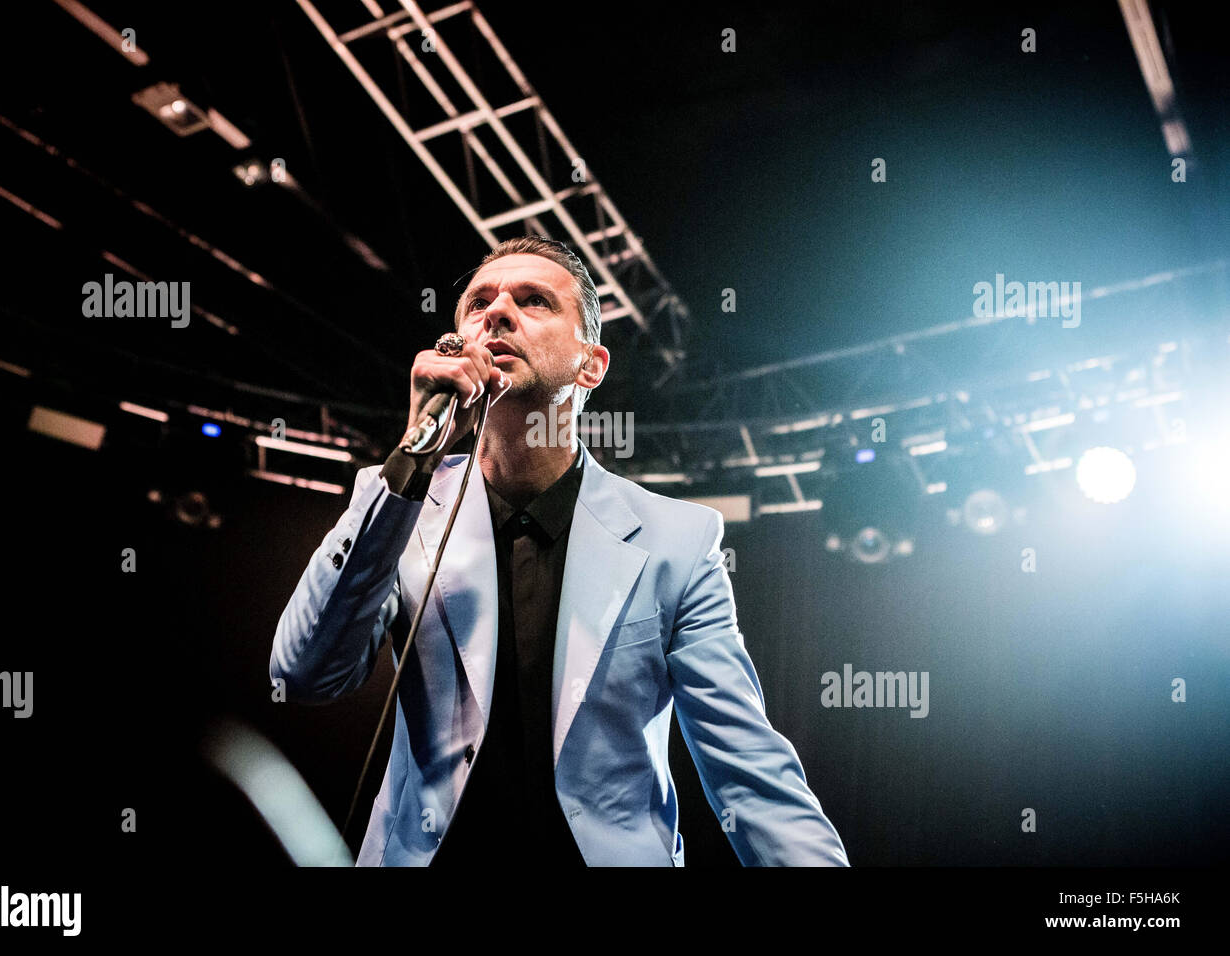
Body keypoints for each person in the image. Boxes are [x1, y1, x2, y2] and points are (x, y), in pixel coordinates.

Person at [269, 236, 849, 866]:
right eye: (478, 303)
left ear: (591, 365)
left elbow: (750, 771)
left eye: (534, 301)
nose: (496, 313)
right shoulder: (399, 502)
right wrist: (411, 457)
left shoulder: (677, 541)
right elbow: (303, 673)